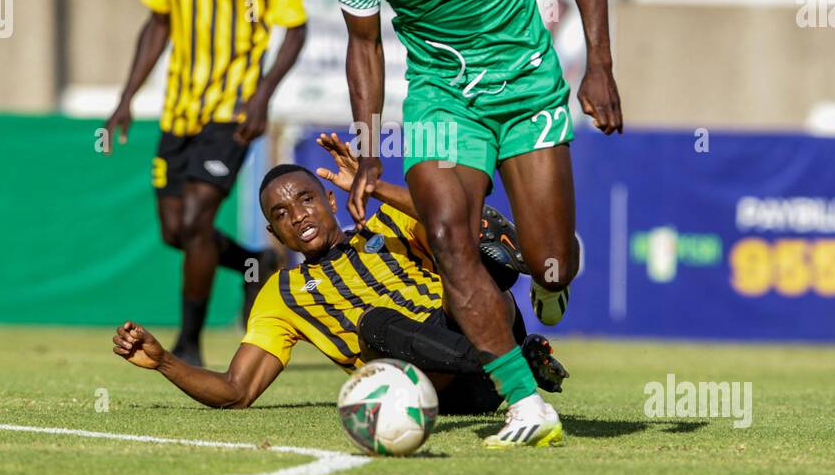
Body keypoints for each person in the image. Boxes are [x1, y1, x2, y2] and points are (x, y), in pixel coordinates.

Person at [330, 0, 623, 448]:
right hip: (441, 101)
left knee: (547, 266)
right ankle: (525, 402)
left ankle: (552, 278)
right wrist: (369, 143)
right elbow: (365, 46)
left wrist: (597, 66)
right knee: (446, 234)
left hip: (526, 92)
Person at [112, 149, 568, 420]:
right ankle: (514, 365)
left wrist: (374, 190)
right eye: (281, 215)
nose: (298, 216)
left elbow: (450, 219)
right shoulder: (281, 293)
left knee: (467, 249)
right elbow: (237, 390)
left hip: (484, 327)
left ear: (331, 199)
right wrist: (164, 363)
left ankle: (542, 292)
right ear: (274, 234)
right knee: (373, 324)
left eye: (306, 200)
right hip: (438, 388)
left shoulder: (388, 224)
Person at [103, 0, 308, 366]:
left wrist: (263, 96)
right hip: (179, 108)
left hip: (232, 109)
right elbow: (159, 21)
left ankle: (189, 342)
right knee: (175, 231)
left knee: (196, 220)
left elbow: (295, 28)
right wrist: (126, 97)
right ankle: (255, 262)